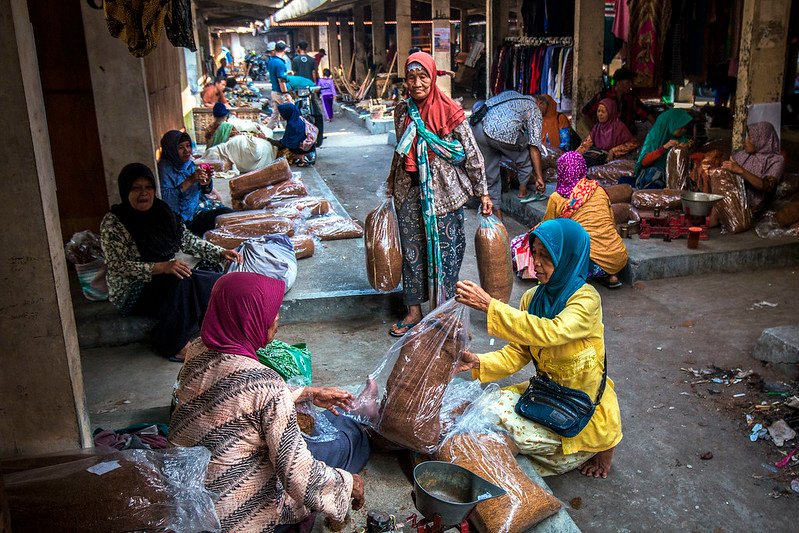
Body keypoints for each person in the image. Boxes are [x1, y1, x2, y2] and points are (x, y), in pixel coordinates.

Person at [169, 273, 368, 532]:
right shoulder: (266, 385)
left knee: (324, 425)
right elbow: (298, 476)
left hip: (187, 499)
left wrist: (308, 392)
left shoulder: (198, 351)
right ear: (248, 317)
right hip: (233, 516)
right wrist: (349, 484)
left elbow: (237, 397)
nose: (276, 318)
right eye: (270, 312)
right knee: (349, 440)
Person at [454, 218, 622, 478]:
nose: (537, 263)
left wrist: (491, 307)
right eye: (534, 254)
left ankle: (597, 450)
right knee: (484, 410)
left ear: (569, 257)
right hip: (547, 394)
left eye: (547, 256)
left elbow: (553, 331)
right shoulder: (532, 298)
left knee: (499, 432)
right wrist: (479, 362)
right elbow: (520, 351)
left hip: (579, 409)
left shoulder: (586, 299)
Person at [387, 51, 492, 337]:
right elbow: (400, 152)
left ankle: (446, 314)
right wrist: (390, 183)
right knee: (412, 252)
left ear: (433, 77)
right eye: (412, 77)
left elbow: (470, 152)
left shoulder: (450, 110)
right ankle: (413, 310)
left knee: (448, 253)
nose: (417, 83)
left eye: (423, 76)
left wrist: (483, 192)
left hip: (443, 195)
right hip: (409, 192)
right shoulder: (402, 110)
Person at [100, 163, 242, 361]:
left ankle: (216, 329)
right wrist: (161, 267)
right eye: (135, 188)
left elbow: (187, 241)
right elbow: (118, 265)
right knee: (182, 282)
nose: (143, 193)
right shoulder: (114, 222)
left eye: (148, 187)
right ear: (125, 190)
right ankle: (172, 343)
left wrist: (220, 252)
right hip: (130, 289)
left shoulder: (162, 212)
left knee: (209, 278)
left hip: (162, 277)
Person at [543, 152, 628, 288]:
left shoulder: (557, 197)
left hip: (587, 264)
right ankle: (612, 275)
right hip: (618, 257)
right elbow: (611, 222)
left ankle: (579, 278)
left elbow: (547, 230)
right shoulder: (599, 190)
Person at [471, 91, 547, 213]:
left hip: (478, 129)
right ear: (540, 103)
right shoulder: (534, 108)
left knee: (490, 171)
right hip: (501, 131)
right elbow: (534, 146)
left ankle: (496, 211)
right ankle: (523, 192)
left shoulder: (512, 94)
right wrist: (539, 177)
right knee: (526, 155)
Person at [158, 130, 232, 235]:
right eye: (180, 147)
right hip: (185, 220)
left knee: (230, 215)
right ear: (171, 150)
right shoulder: (165, 169)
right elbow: (168, 201)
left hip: (198, 208)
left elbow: (206, 190)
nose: (187, 151)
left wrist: (207, 180)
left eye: (188, 146)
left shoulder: (188, 164)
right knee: (226, 218)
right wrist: (190, 180)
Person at [718, 121, 785, 219]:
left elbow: (767, 187)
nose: (745, 141)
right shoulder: (743, 155)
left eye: (750, 137)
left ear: (761, 139)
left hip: (757, 207)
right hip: (737, 200)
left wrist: (741, 170)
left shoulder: (776, 160)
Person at [581, 67, 656, 136]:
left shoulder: (631, 97)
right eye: (628, 82)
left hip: (627, 138)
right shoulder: (603, 96)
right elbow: (585, 114)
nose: (631, 85)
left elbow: (647, 114)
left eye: (631, 82)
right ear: (618, 83)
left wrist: (658, 129)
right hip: (607, 138)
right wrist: (597, 132)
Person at [634, 109, 693, 189]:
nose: (684, 131)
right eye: (681, 127)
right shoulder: (654, 137)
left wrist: (684, 151)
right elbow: (644, 162)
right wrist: (664, 147)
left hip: (674, 178)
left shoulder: (682, 139)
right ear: (671, 124)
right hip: (653, 175)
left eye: (685, 128)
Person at [576, 98, 639, 167]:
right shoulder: (597, 128)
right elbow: (586, 144)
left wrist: (614, 151)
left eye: (603, 112)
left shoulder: (619, 127)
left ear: (611, 112)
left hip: (616, 162)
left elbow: (633, 143)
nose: (600, 114)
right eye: (598, 111)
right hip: (599, 160)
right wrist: (574, 156)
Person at [266, 42, 292, 130]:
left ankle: (266, 133)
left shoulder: (271, 61)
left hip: (274, 91)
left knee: (275, 116)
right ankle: (292, 135)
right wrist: (286, 94)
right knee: (292, 114)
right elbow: (281, 80)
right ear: (284, 50)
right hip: (280, 92)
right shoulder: (280, 63)